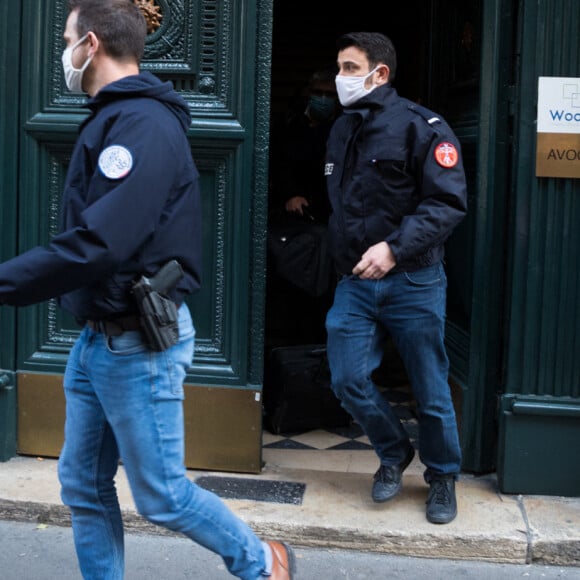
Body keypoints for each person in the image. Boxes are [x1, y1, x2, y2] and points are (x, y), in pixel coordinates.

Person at [0, 1, 294, 578]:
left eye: (65, 38)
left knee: (161, 496)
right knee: (84, 485)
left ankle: (261, 561)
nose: (62, 50)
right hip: (96, 342)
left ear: (91, 44)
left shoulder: (143, 125)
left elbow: (100, 243)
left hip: (137, 345)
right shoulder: (113, 117)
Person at [324, 31, 468, 524]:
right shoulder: (342, 129)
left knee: (430, 388)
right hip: (356, 282)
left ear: (378, 73)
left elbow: (447, 203)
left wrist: (393, 247)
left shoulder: (422, 127)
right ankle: (393, 451)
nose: (340, 78)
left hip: (415, 280)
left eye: (348, 67)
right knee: (347, 378)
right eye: (339, 67)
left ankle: (443, 477)